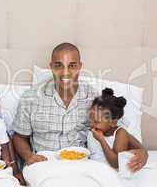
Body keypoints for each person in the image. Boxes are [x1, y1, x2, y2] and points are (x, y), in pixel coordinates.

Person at [12, 42, 148, 172]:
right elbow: (19, 137)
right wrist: (28, 156)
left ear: (80, 66)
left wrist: (142, 151)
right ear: (51, 67)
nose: (65, 72)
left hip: (81, 164)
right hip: (44, 163)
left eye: (72, 65)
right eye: (59, 65)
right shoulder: (30, 97)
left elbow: (118, 129)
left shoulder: (93, 98)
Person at [87, 88, 145, 169]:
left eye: (96, 122)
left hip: (112, 172)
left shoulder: (120, 134)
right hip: (94, 169)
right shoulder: (93, 131)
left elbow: (116, 163)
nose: (92, 124)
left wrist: (102, 140)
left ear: (113, 122)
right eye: (90, 118)